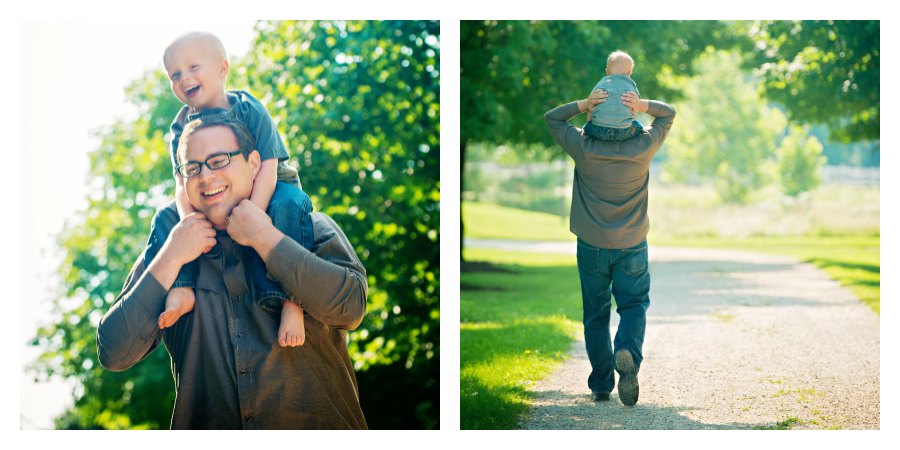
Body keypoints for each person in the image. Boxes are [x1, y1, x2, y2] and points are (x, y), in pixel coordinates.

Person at [97, 114, 368, 429]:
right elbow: (114, 353)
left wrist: (265, 239)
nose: (206, 176)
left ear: (254, 163)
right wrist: (171, 257)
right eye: (192, 167)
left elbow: (351, 309)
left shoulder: (310, 227)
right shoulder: (168, 249)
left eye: (218, 160)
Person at [143, 31, 312, 347]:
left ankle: (293, 302)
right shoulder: (180, 128)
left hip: (269, 186)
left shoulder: (248, 108)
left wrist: (254, 215)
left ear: (222, 69)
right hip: (213, 197)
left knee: (291, 206)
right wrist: (193, 221)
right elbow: (183, 183)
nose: (184, 78)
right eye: (175, 74)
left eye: (193, 67)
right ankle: (182, 288)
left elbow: (269, 165)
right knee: (170, 222)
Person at [543, 87, 676, 406]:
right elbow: (667, 113)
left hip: (591, 246)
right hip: (631, 244)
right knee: (633, 305)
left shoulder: (583, 147)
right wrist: (642, 104)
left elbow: (552, 118)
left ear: (594, 117)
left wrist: (584, 104)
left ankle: (601, 383)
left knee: (596, 313)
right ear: (629, 115)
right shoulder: (644, 145)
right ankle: (627, 350)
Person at [584, 50, 644, 143]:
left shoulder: (601, 83)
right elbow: (635, 107)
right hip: (624, 131)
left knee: (587, 125)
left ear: (607, 72)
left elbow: (591, 104)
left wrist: (589, 122)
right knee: (639, 127)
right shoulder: (631, 85)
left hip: (599, 130)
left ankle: (587, 131)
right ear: (629, 73)